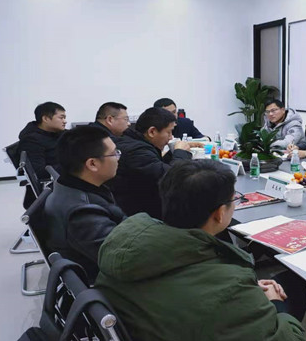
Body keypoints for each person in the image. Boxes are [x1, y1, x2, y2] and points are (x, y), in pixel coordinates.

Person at [95, 160, 306, 341]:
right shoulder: (229, 288)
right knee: (293, 285)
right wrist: (274, 302)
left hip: (156, 325)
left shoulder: (125, 245)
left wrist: (246, 291)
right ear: (219, 213)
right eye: (234, 199)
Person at [44, 126, 126, 281]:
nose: (118, 158)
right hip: (105, 282)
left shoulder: (69, 185)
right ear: (92, 164)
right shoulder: (82, 212)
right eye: (114, 153)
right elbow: (122, 261)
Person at [110, 107, 192, 219]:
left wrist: (173, 153)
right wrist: (181, 152)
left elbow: (156, 167)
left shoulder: (136, 143)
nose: (171, 137)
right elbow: (171, 177)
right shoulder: (136, 151)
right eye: (169, 132)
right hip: (138, 215)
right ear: (152, 132)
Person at [18, 101, 67, 180]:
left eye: (64, 118)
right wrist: (72, 167)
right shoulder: (31, 140)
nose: (65, 121)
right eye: (61, 118)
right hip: (57, 181)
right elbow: (39, 172)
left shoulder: (57, 133)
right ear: (46, 119)